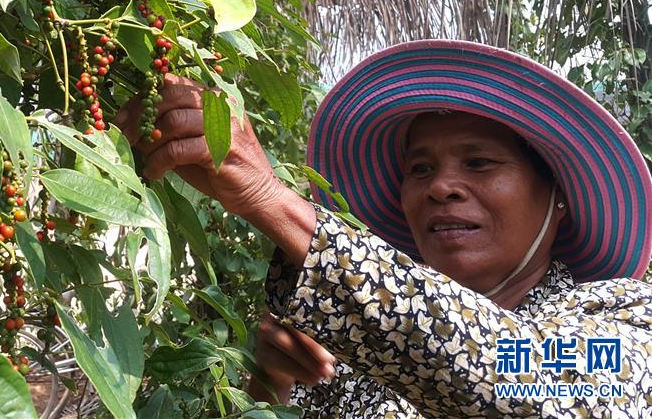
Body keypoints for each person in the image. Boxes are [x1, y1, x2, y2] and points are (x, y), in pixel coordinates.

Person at [114, 40, 652, 417]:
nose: (441, 187)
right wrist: (272, 388)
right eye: (420, 169)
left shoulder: (626, 320)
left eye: (481, 163)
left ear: (557, 198)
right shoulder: (353, 341)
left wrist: (269, 198)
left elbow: (511, 377)